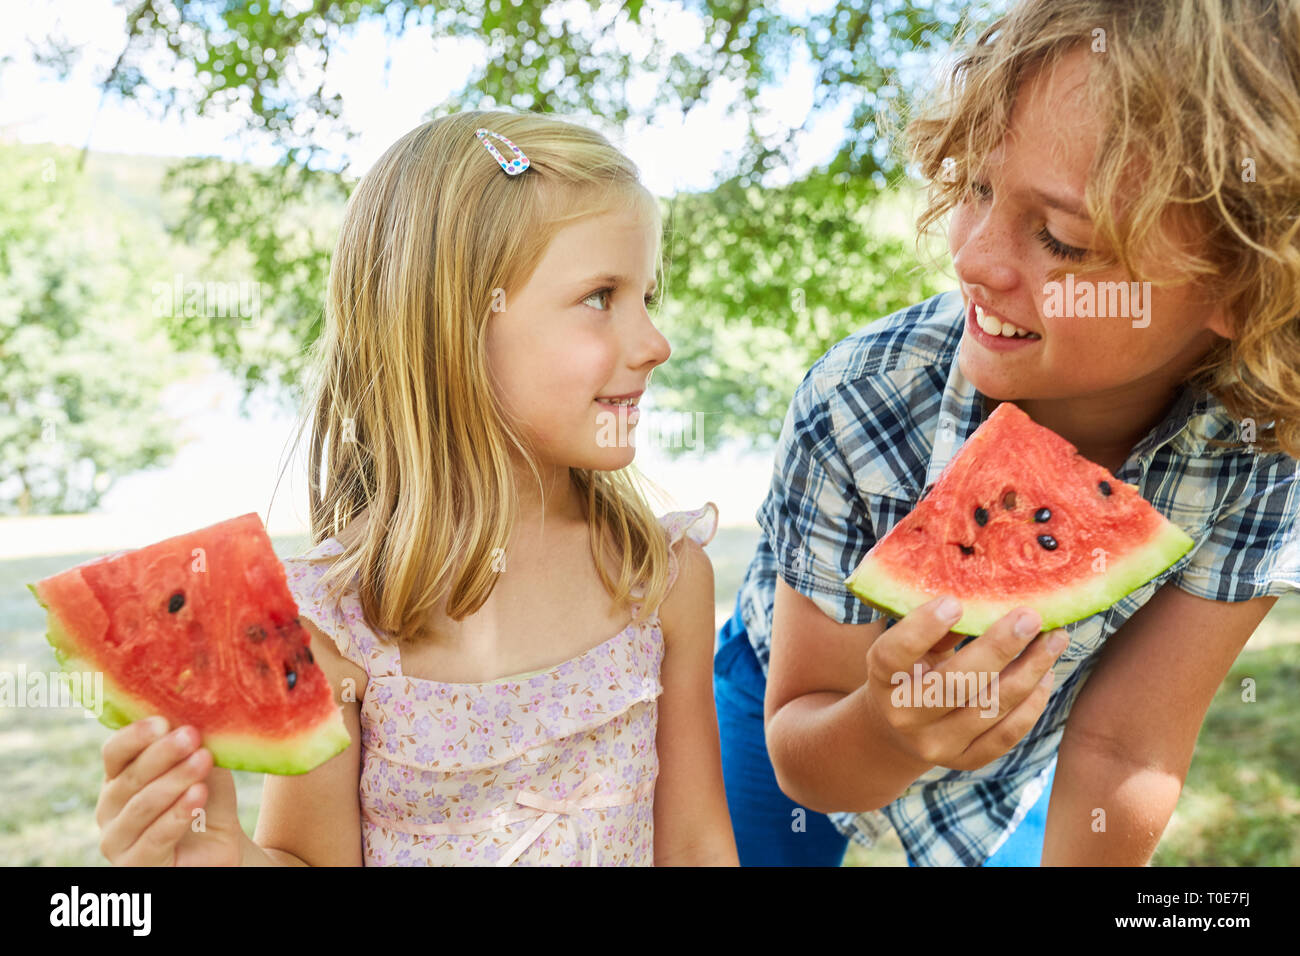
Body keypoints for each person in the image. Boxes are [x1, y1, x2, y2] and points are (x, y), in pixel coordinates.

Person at [715, 0, 1300, 866]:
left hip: (1023, 753)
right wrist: (884, 730)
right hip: (792, 704)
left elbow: (1124, 750)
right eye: (978, 189)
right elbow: (807, 745)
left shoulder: (1262, 465)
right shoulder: (862, 398)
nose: (974, 260)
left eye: (1061, 241)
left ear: (1242, 290)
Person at [94, 111, 738, 866]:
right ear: (456, 320)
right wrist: (222, 852)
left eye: (647, 297)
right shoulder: (335, 625)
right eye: (601, 296)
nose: (655, 343)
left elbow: (695, 843)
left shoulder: (659, 581)